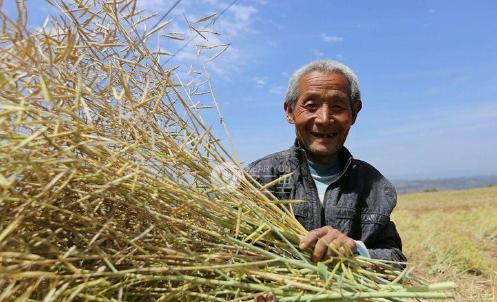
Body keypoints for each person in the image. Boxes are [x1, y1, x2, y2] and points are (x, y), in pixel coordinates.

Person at [246, 60, 406, 263]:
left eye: (337, 106)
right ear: (289, 111)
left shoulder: (373, 185)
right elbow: (234, 254)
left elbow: (396, 260)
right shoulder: (258, 179)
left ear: (354, 112)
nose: (323, 119)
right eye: (311, 106)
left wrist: (356, 250)